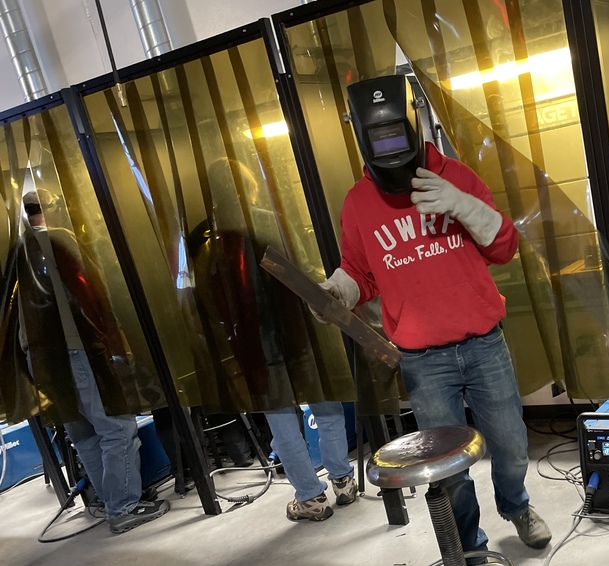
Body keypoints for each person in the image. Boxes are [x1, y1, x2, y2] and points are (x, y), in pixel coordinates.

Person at [320, 75, 551, 566]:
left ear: (413, 124)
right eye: (377, 138)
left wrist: (461, 204)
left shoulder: (455, 177)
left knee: (512, 445)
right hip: (423, 360)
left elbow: (504, 247)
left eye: (395, 134)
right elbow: (360, 271)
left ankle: (517, 506)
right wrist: (338, 290)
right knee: (449, 470)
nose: (390, 148)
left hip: (483, 344)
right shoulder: (358, 203)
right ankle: (470, 550)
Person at [195, 159, 357, 521]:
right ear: (249, 184)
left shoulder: (210, 242)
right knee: (325, 401)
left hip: (252, 342)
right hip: (298, 329)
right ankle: (343, 480)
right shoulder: (272, 220)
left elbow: (207, 299)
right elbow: (305, 270)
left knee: (281, 420)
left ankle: (311, 498)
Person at [17, 190, 169, 534]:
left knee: (84, 434)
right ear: (53, 209)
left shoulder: (17, 252)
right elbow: (92, 294)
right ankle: (123, 507)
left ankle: (111, 501)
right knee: (117, 428)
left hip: (42, 360)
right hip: (78, 350)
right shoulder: (59, 240)